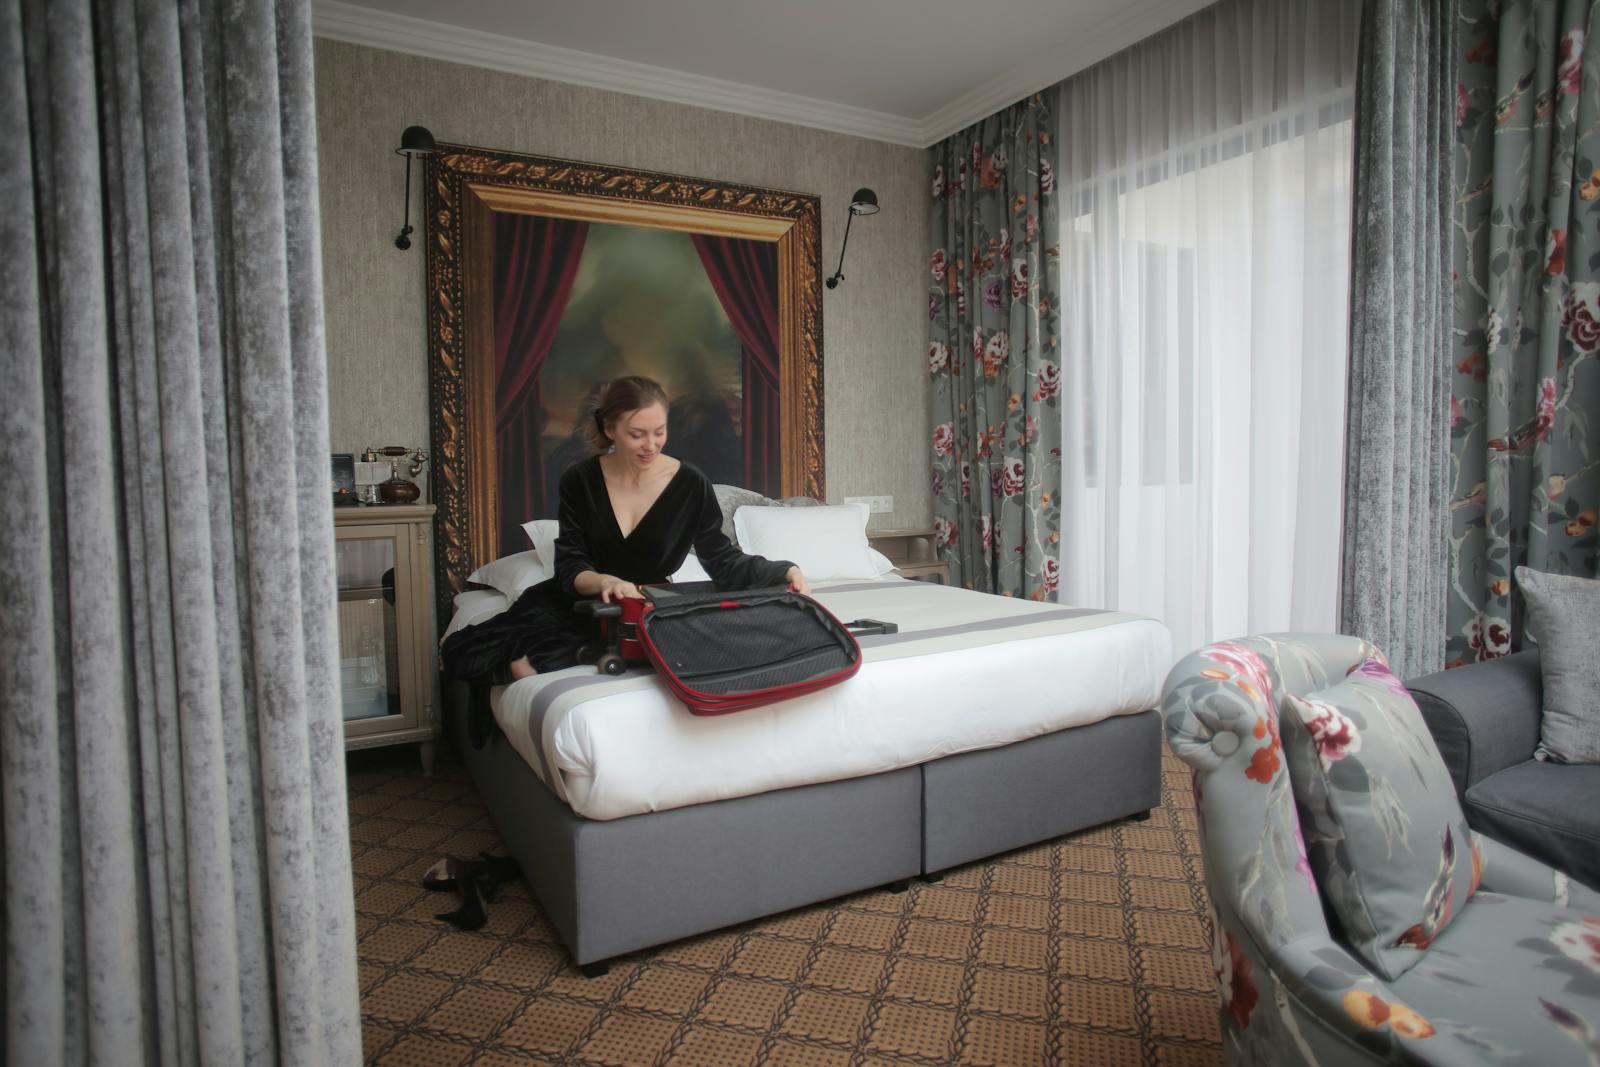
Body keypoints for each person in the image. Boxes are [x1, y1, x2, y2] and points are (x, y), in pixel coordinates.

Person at [442, 375, 810, 685]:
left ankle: (543, 664)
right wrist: (604, 582)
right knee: (461, 653)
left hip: (643, 611)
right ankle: (528, 666)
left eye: (659, 433)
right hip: (577, 606)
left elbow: (723, 559)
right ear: (609, 429)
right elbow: (570, 564)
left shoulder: (690, 484)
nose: (651, 445)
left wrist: (783, 570)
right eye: (637, 435)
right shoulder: (580, 480)